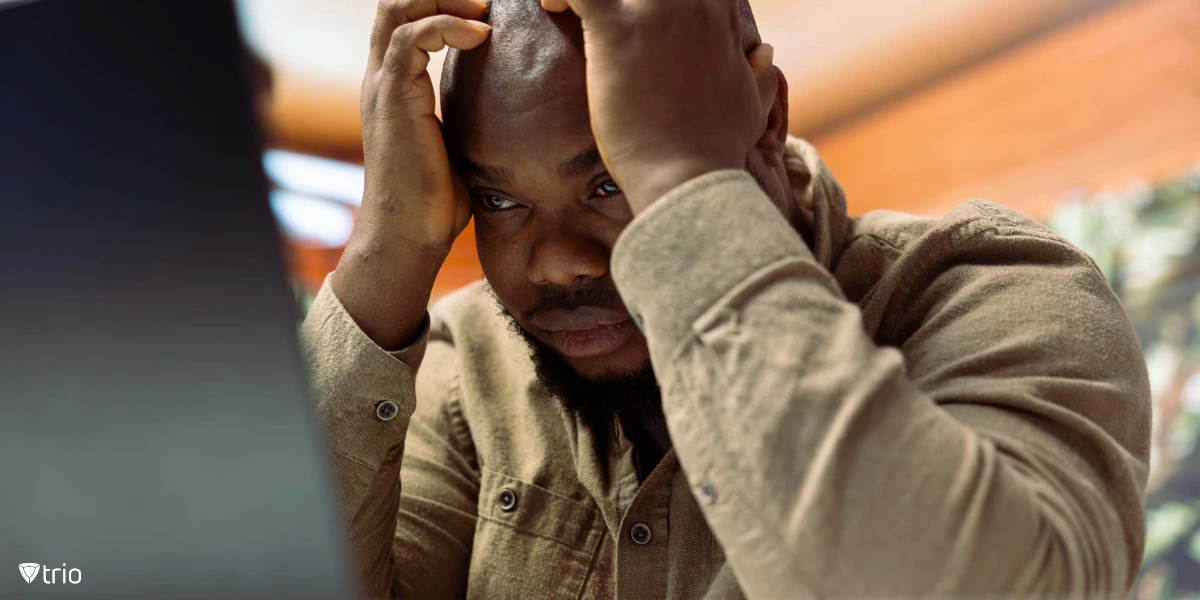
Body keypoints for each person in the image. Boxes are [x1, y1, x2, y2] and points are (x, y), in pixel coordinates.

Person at [300, 0, 1152, 597]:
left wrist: (679, 179)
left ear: (764, 117)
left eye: (608, 179)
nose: (555, 263)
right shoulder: (463, 356)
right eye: (498, 200)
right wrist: (383, 252)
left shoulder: (993, 293)